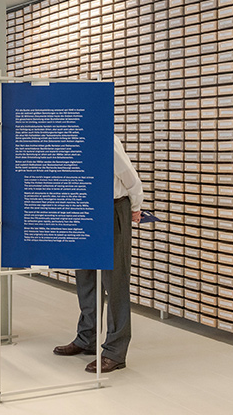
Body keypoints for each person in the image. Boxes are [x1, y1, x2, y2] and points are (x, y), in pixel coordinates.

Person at [53, 135, 143, 373]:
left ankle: (115, 352)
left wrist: (135, 206)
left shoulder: (105, 138)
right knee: (85, 277)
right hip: (84, 206)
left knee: (115, 281)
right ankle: (87, 339)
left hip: (112, 208)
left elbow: (130, 177)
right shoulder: (69, 139)